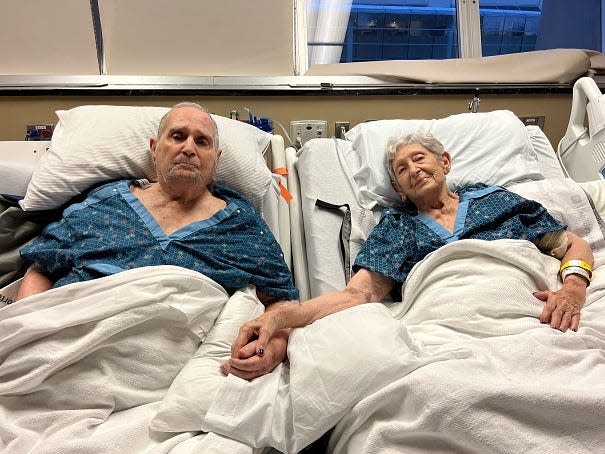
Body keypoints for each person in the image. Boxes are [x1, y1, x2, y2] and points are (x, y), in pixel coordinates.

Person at [222, 132, 594, 377]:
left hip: (528, 317)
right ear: (398, 189)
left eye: (419, 159)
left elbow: (571, 243)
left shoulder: (498, 201)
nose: (413, 170)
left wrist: (573, 291)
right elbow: (358, 294)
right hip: (447, 326)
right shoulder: (396, 228)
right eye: (402, 169)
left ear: (444, 162)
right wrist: (284, 316)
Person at [17, 102, 299, 379]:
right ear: (154, 148)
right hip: (68, 354)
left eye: (202, 142)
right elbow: (43, 266)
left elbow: (283, 305)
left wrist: (269, 353)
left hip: (176, 372)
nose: (188, 148)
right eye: (178, 136)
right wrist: (29, 330)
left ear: (217, 160)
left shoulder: (241, 224)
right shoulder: (106, 203)